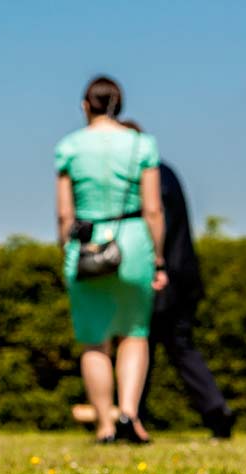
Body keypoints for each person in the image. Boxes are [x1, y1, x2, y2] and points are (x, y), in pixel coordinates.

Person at [55, 76, 168, 444]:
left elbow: (64, 216)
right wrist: (160, 259)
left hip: (87, 243)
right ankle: (129, 417)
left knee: (94, 341)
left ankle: (104, 425)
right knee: (134, 335)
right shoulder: (141, 144)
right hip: (133, 241)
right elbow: (153, 208)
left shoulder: (69, 146)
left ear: (85, 106)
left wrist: (66, 251)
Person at [119, 121, 236, 438]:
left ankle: (212, 412)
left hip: (166, 275)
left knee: (154, 343)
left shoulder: (152, 178)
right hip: (181, 272)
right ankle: (134, 418)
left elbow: (158, 225)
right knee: (156, 344)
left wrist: (157, 267)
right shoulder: (164, 172)